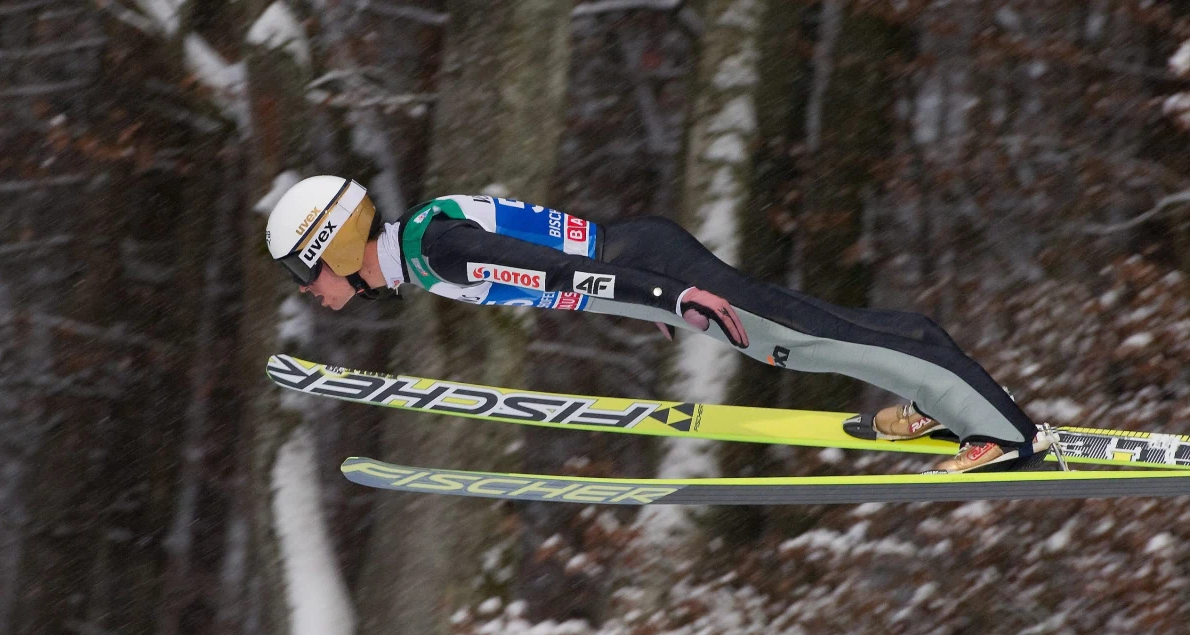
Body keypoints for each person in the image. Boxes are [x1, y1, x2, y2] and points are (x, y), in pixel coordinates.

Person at [265, 176, 1053, 474]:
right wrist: (643, 298)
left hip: (653, 268)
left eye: (307, 274)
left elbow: (559, 276)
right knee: (811, 329)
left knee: (799, 339)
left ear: (329, 246)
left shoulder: (437, 252)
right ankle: (947, 400)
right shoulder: (423, 243)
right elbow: (564, 265)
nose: (313, 293)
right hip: (645, 262)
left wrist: (667, 298)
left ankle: (1002, 430)